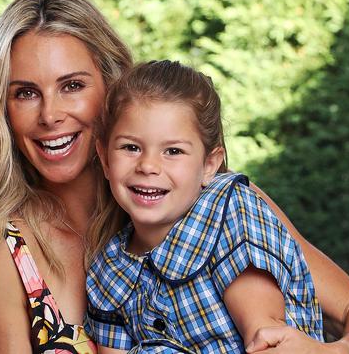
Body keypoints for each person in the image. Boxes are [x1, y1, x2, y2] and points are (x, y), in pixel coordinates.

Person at [0, 0, 349, 354]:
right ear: (2, 109)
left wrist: (339, 351)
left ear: (113, 90)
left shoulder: (225, 206)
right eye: (25, 94)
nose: (50, 114)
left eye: (73, 86)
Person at [86, 60, 323, 353]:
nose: (148, 166)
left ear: (210, 164)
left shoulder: (230, 213)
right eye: (131, 147)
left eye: (173, 151)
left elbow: (265, 338)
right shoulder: (108, 271)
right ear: (105, 158)